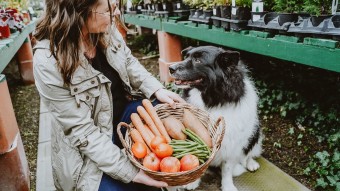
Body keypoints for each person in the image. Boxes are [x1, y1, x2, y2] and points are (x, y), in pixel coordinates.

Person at [32, 0, 185, 190]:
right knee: (125, 184)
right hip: (89, 149)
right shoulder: (48, 62)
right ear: (79, 12)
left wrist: (156, 89)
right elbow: (84, 133)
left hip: (124, 118)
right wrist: (133, 173)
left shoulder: (104, 27)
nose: (117, 14)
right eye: (108, 10)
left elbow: (128, 61)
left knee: (162, 110)